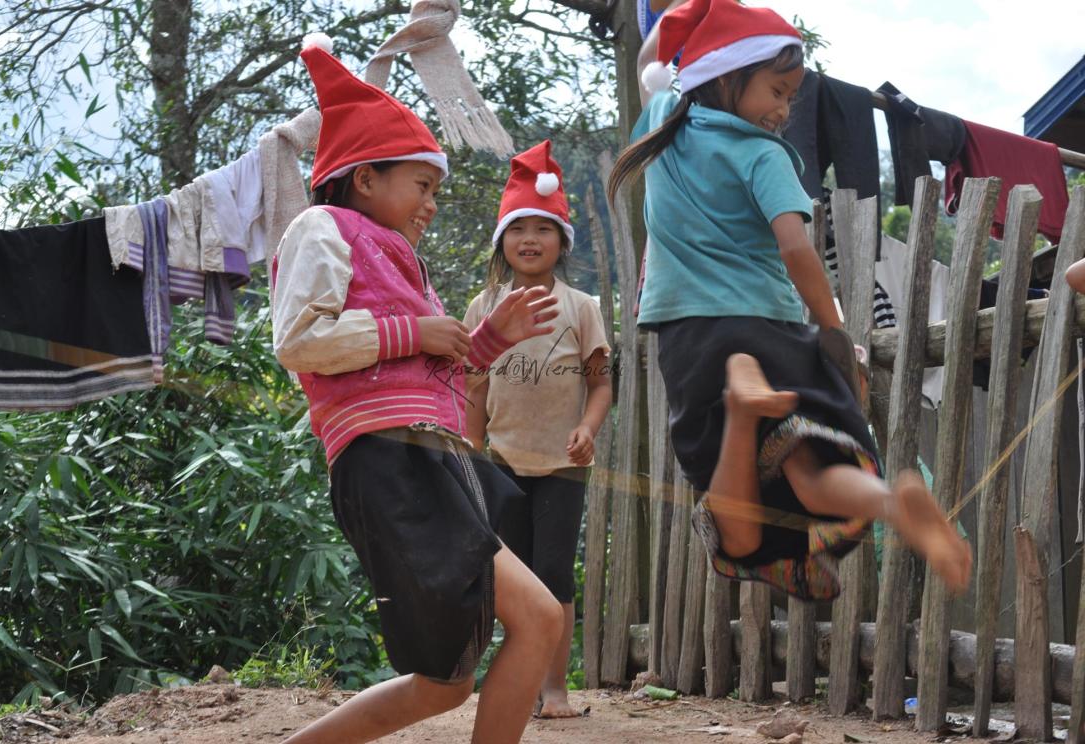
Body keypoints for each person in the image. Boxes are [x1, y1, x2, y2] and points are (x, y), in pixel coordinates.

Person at [608, 0, 971, 601]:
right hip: (767, 330)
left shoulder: (664, 118)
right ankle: (889, 501)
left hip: (690, 336)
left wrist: (676, 17)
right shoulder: (761, 155)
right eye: (777, 92)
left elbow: (653, 61)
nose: (782, 111)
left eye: (789, 98)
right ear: (724, 77)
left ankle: (745, 412)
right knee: (809, 472)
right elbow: (797, 250)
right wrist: (832, 329)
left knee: (737, 528)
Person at [272, 34, 565, 744]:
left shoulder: (403, 259)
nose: (431, 202)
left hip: (435, 462)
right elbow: (299, 343)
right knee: (536, 622)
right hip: (390, 466)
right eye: (422, 184)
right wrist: (416, 332)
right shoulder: (323, 227)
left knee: (446, 684)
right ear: (365, 178)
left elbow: (428, 372)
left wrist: (490, 340)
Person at [463, 140, 612, 718]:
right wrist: (472, 452)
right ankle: (518, 685)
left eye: (543, 229)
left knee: (552, 572)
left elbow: (600, 383)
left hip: (563, 463)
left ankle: (555, 689)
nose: (530, 239)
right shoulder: (484, 307)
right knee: (512, 581)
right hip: (500, 461)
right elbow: (474, 387)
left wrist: (588, 426)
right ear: (502, 240)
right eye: (518, 228)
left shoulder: (582, 307)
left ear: (561, 242)